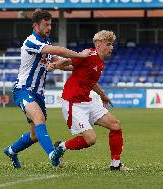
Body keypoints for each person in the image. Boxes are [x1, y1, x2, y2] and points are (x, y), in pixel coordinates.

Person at [3, 9, 91, 168]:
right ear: (36, 25)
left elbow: (61, 62)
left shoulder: (46, 42)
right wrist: (80, 55)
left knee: (35, 135)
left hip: (38, 94)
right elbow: (58, 50)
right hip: (23, 90)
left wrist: (83, 66)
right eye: (45, 24)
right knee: (39, 119)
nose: (49, 27)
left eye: (50, 24)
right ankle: (53, 156)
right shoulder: (31, 42)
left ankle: (10, 151)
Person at [50, 30, 130, 171]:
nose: (111, 47)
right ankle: (61, 147)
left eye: (112, 44)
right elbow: (67, 61)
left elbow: (90, 82)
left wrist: (103, 95)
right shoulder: (88, 55)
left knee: (116, 125)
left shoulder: (100, 62)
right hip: (73, 102)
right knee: (90, 139)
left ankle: (116, 164)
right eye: (108, 44)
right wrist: (54, 65)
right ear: (99, 45)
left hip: (88, 101)